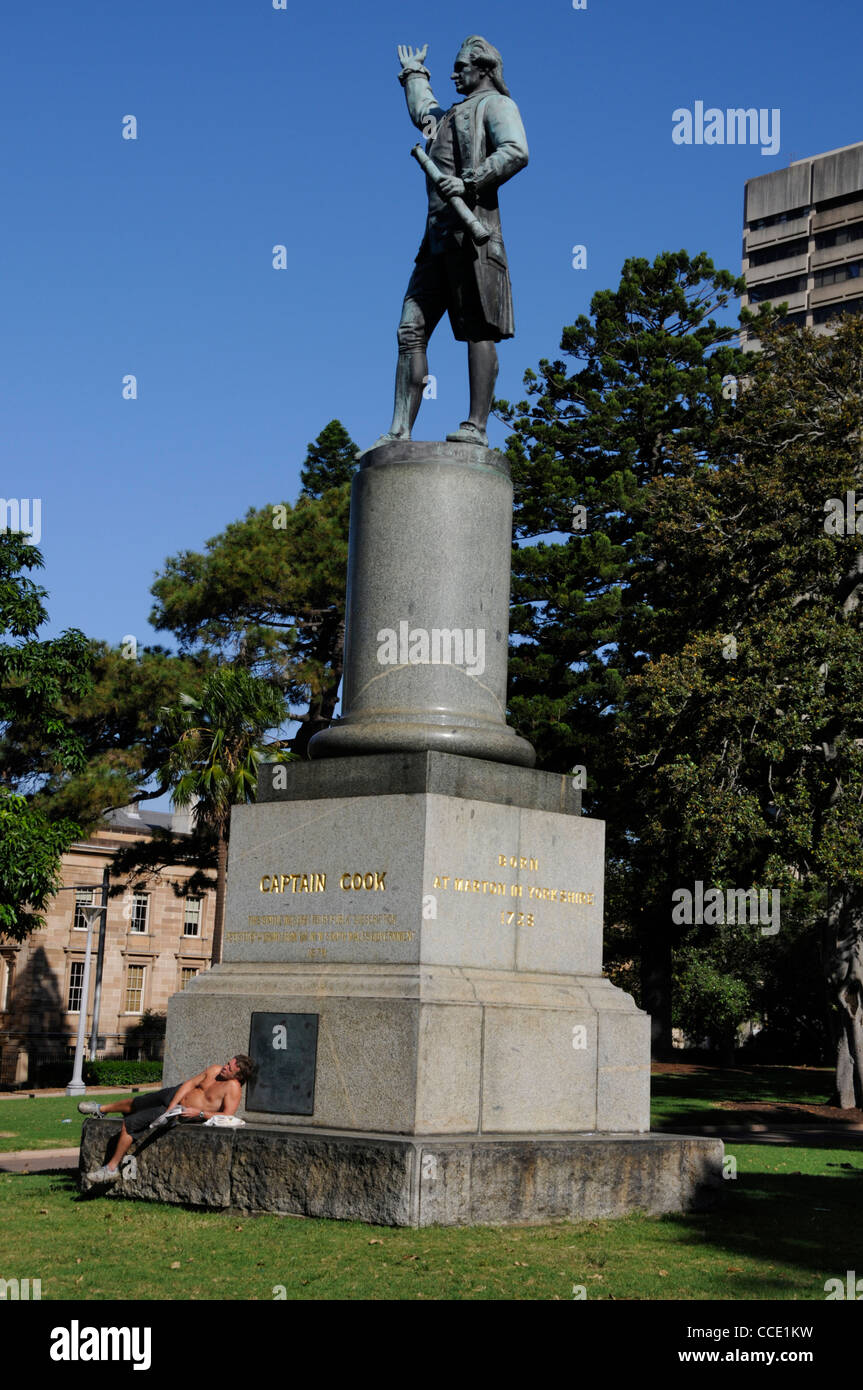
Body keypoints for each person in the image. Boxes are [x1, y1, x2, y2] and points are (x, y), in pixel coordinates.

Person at [369, 36, 528, 451]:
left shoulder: (497, 105)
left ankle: (476, 424)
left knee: (478, 328)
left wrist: (470, 179)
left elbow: (516, 150)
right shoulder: (450, 115)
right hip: (435, 240)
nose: (454, 73)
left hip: (473, 235)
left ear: (484, 69)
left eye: (460, 67)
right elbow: (425, 113)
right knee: (410, 331)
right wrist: (414, 74)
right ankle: (400, 429)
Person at [81, 1054, 257, 1183]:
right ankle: (101, 1109)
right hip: (175, 1096)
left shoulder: (233, 1088)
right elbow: (189, 1084)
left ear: (238, 1076)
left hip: (179, 1112)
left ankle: (111, 1168)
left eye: (230, 1068)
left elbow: (227, 1115)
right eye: (227, 1063)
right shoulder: (214, 1070)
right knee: (138, 1102)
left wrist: (199, 1114)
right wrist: (172, 1103)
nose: (225, 1067)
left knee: (131, 1124)